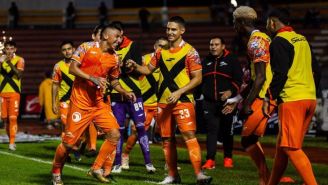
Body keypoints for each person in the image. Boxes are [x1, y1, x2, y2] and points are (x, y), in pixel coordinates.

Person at [126, 16, 212, 185]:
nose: (170, 32)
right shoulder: (160, 52)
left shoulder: (190, 51)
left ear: (182, 31)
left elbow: (198, 78)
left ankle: (199, 174)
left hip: (183, 100)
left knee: (189, 134)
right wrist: (135, 66)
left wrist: (179, 92)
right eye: (168, 29)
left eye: (173, 29)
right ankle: (173, 176)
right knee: (166, 138)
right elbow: (148, 70)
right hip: (163, 102)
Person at [51, 24, 136, 185]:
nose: (120, 40)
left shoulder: (115, 58)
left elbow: (114, 80)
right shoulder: (85, 47)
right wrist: (92, 78)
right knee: (68, 143)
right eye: (117, 37)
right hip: (80, 104)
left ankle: (96, 168)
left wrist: (124, 91)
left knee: (115, 135)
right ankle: (56, 170)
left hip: (99, 104)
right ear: (106, 36)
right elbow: (73, 69)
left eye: (120, 37)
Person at [264, 8, 318, 185]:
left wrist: (269, 96)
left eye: (268, 22)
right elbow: (315, 70)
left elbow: (280, 73)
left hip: (292, 99)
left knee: (290, 147)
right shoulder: (302, 39)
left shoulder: (278, 41)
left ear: (273, 22)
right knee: (282, 147)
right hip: (309, 98)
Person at [232, 6, 274, 185]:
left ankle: (266, 178)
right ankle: (266, 179)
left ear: (241, 22)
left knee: (247, 139)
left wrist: (248, 103)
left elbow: (261, 77)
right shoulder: (264, 37)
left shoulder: (255, 41)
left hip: (263, 94)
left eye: (235, 21)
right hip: (267, 93)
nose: (233, 25)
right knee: (252, 138)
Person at [108, 21, 155, 174]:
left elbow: (139, 71)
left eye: (116, 35)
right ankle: (117, 164)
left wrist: (127, 66)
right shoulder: (108, 49)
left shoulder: (133, 46)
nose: (115, 38)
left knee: (140, 128)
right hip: (116, 95)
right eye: (112, 36)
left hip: (135, 94)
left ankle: (148, 163)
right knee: (118, 131)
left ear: (121, 33)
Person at [121, 37, 169, 170]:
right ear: (154, 46)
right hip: (145, 103)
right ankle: (125, 155)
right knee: (137, 132)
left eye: (165, 47)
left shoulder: (169, 61)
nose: (162, 49)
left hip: (161, 103)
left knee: (166, 133)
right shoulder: (143, 60)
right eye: (160, 46)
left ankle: (169, 161)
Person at [200, 37, 243, 169]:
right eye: (211, 44)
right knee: (211, 131)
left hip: (227, 103)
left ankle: (228, 158)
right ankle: (210, 160)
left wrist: (230, 92)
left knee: (227, 131)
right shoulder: (205, 61)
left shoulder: (232, 60)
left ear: (223, 46)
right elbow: (199, 81)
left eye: (216, 44)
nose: (213, 47)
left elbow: (239, 80)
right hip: (209, 103)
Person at [0, 41, 24, 151]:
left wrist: (9, 63)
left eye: (11, 48)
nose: (9, 50)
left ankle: (11, 142)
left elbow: (19, 75)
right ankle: (11, 140)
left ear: (15, 49)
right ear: (4, 49)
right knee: (5, 119)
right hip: (2, 93)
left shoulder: (19, 60)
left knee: (12, 118)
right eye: (7, 48)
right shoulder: (0, 60)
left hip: (14, 93)